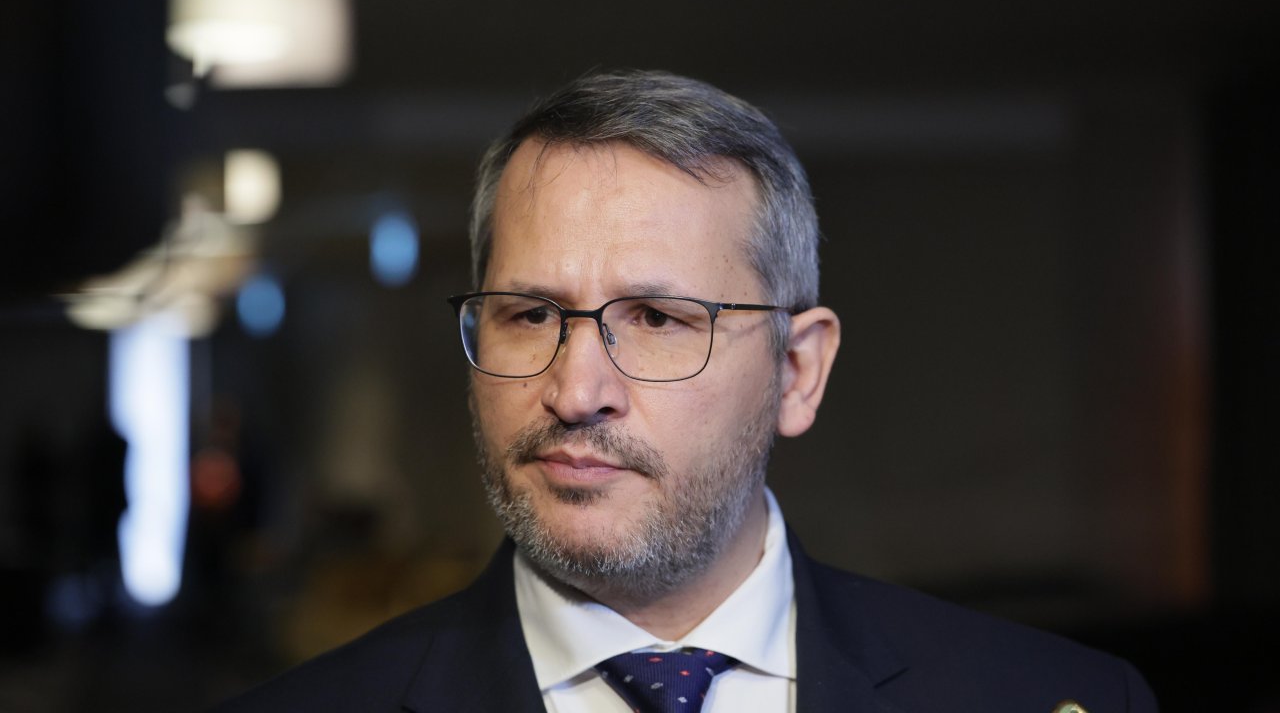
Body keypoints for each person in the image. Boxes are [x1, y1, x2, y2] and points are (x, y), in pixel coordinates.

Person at [217, 70, 1157, 713]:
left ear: (797, 372)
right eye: (531, 315)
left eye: (658, 320)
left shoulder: (1044, 698)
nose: (576, 390)